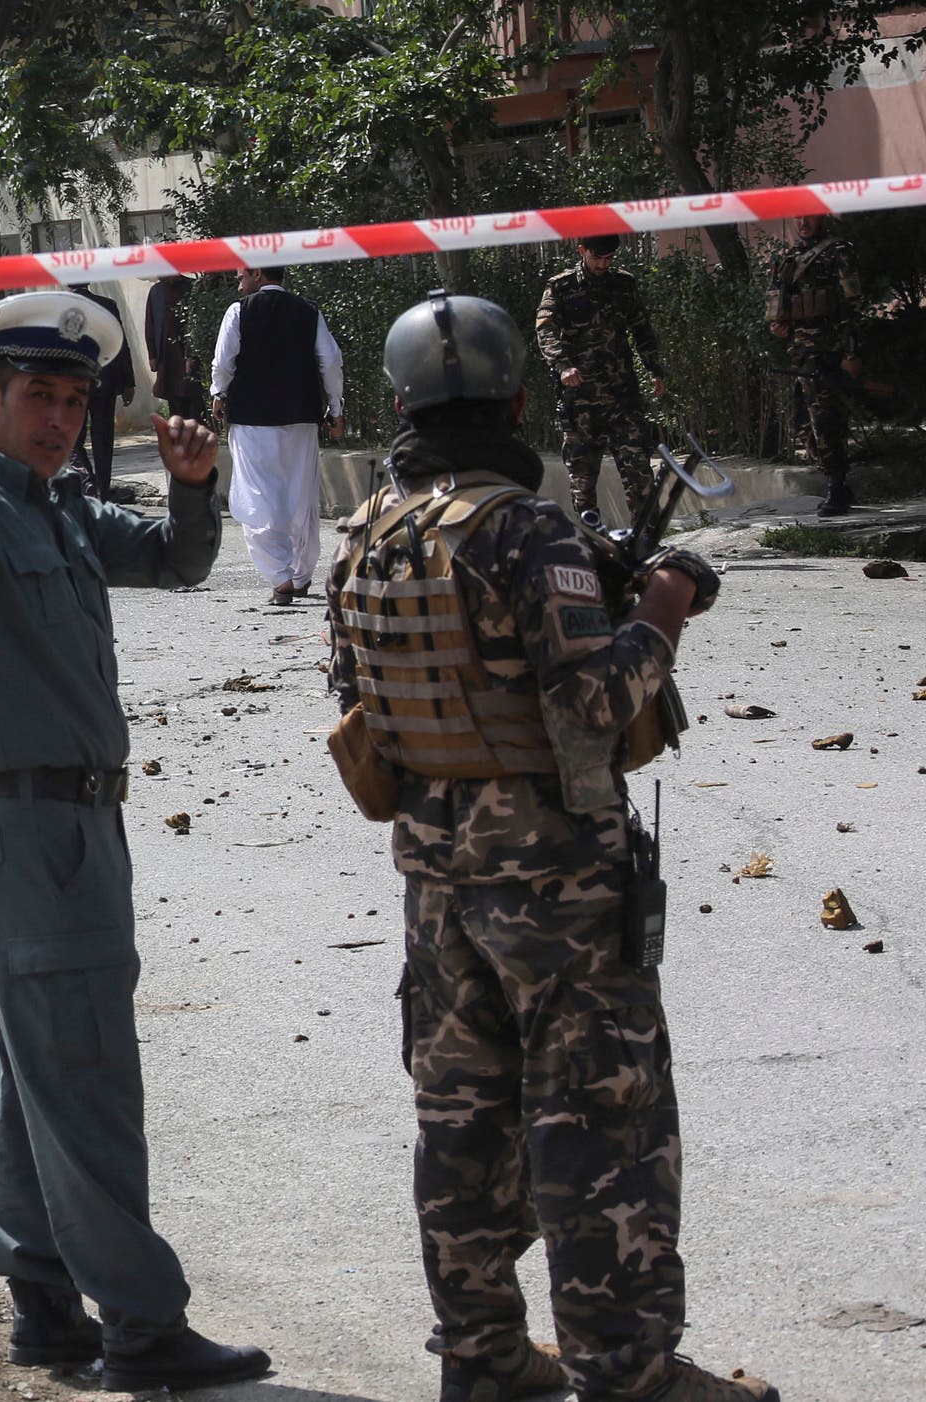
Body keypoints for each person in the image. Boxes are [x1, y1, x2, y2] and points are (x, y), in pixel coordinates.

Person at [324, 291, 769, 1402]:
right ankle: (628, 1370)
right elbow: (589, 700)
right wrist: (658, 608)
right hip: (555, 880)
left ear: (399, 403)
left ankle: (478, 1357)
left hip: (434, 874)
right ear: (517, 397)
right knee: (596, 1121)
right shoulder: (525, 528)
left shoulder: (367, 533)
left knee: (462, 1118)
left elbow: (357, 697)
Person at [0, 291, 268, 1390]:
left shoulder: (53, 508)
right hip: (29, 824)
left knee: (37, 1070)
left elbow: (175, 561)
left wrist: (197, 488)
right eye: (33, 395)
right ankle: (144, 1325)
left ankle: (45, 1303)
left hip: (78, 820)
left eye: (70, 398)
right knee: (89, 1074)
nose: (58, 417)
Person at [210, 264, 343, 603]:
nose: (238, 285)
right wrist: (336, 408)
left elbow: (223, 362)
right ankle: (300, 575)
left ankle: (279, 575)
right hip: (301, 416)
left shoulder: (238, 312)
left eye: (241, 277)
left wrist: (218, 392)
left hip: (252, 418)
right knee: (300, 496)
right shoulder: (308, 311)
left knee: (257, 496)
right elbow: (330, 361)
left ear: (257, 274)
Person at [535, 234, 667, 522]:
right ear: (582, 251)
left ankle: (646, 542)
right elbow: (545, 331)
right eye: (597, 257)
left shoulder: (623, 284)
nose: (603, 264)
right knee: (582, 478)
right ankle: (593, 543)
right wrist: (563, 366)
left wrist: (654, 369)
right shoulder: (561, 287)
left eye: (609, 259)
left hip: (622, 393)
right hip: (580, 397)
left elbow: (641, 329)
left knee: (638, 469)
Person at [766, 212, 867, 516]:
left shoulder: (837, 251)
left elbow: (854, 304)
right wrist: (778, 326)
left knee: (825, 421)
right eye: (797, 218)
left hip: (829, 352)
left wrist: (851, 353)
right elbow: (778, 304)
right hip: (801, 354)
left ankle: (836, 485)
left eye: (809, 217)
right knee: (803, 424)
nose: (803, 223)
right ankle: (838, 481)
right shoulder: (789, 257)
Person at [71, 285, 135, 499]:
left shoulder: (61, 306)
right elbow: (121, 345)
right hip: (104, 382)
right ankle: (103, 490)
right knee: (103, 439)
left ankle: (88, 480)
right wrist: (128, 382)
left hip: (74, 385)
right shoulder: (107, 306)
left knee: (73, 439)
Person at [144, 275, 207, 421]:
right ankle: (177, 434)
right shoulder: (156, 292)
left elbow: (198, 323)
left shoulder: (192, 287)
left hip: (187, 355)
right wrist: (152, 355)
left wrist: (192, 353)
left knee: (193, 400)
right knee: (174, 400)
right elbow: (150, 324)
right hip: (166, 356)